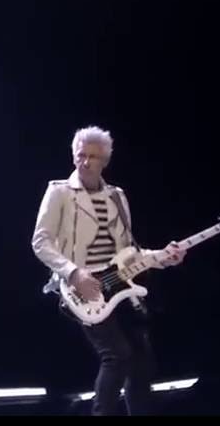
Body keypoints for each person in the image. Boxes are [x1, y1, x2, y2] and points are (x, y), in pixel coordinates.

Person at [31, 125, 186, 416]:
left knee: (141, 360)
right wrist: (73, 272)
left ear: (105, 160)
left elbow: (129, 251)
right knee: (116, 355)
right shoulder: (60, 192)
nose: (85, 162)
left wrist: (163, 257)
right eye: (81, 155)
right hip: (81, 286)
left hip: (117, 282)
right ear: (73, 156)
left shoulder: (116, 196)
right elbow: (40, 242)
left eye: (93, 156)